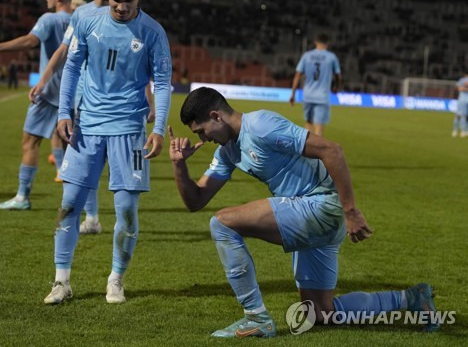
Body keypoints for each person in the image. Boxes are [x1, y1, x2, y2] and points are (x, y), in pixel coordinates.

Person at [168, 87, 439, 338]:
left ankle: (255, 316)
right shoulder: (228, 151)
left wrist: (351, 211)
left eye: (202, 131)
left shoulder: (261, 125)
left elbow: (332, 150)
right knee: (321, 313)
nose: (203, 139)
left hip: (320, 206)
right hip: (310, 214)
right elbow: (196, 200)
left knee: (222, 223)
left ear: (216, 116)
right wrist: (178, 165)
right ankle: (411, 299)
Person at [44, 0, 171, 305]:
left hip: (130, 130)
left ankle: (116, 279)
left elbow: (161, 83)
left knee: (127, 211)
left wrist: (158, 128)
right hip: (87, 126)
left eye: (128, 0)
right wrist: (63, 112)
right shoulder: (86, 20)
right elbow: (71, 68)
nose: (121, 6)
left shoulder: (153, 32)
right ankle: (61, 281)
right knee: (69, 206)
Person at [0, 0, 75, 210]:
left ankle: (22, 197)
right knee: (73, 149)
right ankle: (77, 204)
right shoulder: (80, 19)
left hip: (49, 92)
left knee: (30, 142)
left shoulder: (49, 18)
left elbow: (30, 41)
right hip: (74, 94)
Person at [34, 0, 118, 233]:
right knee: (85, 169)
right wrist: (44, 81)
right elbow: (62, 51)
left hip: (120, 108)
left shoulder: (127, 14)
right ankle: (92, 218)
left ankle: (124, 225)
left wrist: (149, 101)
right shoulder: (81, 16)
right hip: (84, 104)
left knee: (120, 176)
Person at [289, 33, 342, 137]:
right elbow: (338, 75)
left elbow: (297, 75)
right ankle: (316, 152)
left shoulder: (307, 56)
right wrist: (336, 87)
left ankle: (305, 151)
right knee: (319, 127)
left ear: (315, 42)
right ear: (328, 43)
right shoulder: (331, 57)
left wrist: (293, 94)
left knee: (308, 125)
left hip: (308, 95)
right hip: (322, 96)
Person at [452, 73, 468, 138]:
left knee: (462, 115)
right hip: (463, 100)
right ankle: (462, 131)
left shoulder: (462, 80)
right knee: (463, 115)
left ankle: (457, 131)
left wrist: (464, 88)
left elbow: (458, 88)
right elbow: (459, 88)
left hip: (462, 100)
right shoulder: (463, 80)